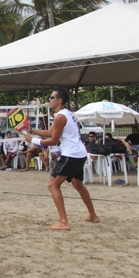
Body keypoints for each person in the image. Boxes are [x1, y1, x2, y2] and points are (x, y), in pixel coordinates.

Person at [24, 88, 99, 230]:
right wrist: (31, 130)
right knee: (78, 185)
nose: (49, 100)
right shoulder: (65, 114)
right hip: (79, 153)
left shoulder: (60, 117)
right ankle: (93, 215)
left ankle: (64, 222)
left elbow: (53, 141)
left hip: (71, 155)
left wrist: (32, 140)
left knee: (53, 185)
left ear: (60, 100)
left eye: (52, 97)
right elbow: (49, 132)